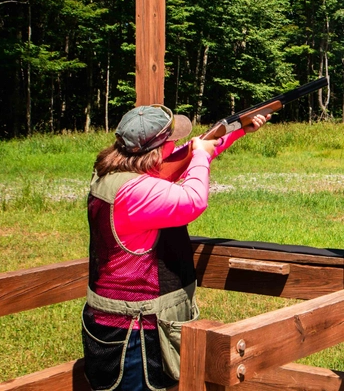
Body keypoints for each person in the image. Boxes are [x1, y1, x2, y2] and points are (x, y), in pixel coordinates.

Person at [82, 104, 269, 391]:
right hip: (135, 332)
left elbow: (184, 158)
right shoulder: (138, 191)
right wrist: (202, 157)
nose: (176, 143)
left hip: (110, 322)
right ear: (156, 150)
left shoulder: (112, 175)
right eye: (171, 139)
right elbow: (193, 200)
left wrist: (237, 130)